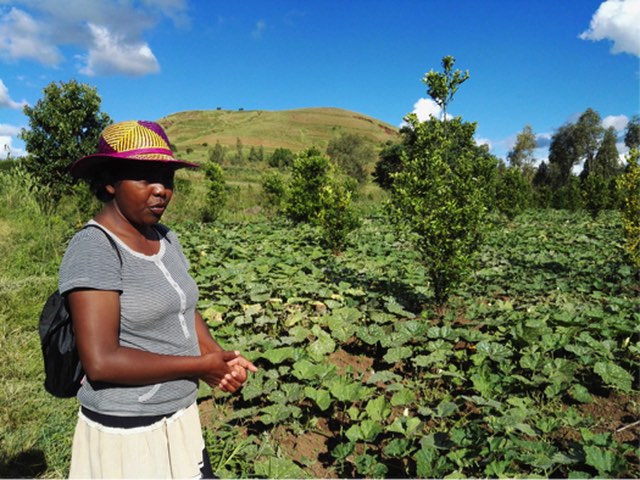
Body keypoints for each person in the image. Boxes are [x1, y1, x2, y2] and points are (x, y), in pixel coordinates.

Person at [59, 120, 257, 478]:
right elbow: (102, 361)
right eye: (145, 178)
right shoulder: (94, 248)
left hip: (178, 414)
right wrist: (199, 367)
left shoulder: (165, 237)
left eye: (167, 180)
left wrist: (216, 358)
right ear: (110, 182)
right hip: (130, 430)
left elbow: (183, 308)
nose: (160, 190)